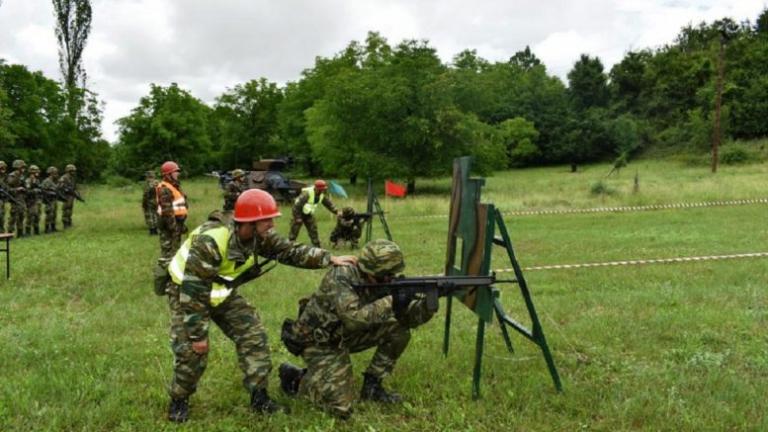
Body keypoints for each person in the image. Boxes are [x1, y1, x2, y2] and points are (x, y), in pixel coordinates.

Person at [162, 188, 356, 423]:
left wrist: (328, 258)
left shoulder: (260, 235)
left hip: (222, 293)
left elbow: (289, 251)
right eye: (268, 220)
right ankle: (179, 399)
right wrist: (197, 336)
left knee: (254, 336)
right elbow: (194, 291)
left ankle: (259, 397)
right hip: (187, 293)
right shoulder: (210, 240)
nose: (272, 224)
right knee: (193, 351)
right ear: (250, 223)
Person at [278, 239, 436, 419]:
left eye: (392, 275)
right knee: (341, 409)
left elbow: (408, 321)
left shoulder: (382, 280)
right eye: (385, 276)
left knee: (398, 329)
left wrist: (427, 305)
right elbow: (355, 320)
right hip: (319, 342)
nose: (389, 280)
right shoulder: (341, 276)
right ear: (370, 271)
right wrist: (392, 300)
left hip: (345, 336)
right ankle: (296, 379)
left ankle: (372, 387)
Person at [289, 179, 340, 247]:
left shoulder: (321, 195)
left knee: (313, 229)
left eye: (323, 189)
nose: (323, 191)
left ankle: (317, 245)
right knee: (295, 230)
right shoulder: (307, 194)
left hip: (308, 213)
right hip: (299, 213)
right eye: (321, 189)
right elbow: (297, 205)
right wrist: (297, 217)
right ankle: (290, 244)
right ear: (316, 188)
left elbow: (328, 204)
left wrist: (337, 211)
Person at [155, 161, 187, 263]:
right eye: (175, 172)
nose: (178, 173)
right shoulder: (164, 189)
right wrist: (174, 228)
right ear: (168, 175)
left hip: (177, 223)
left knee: (176, 252)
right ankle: (164, 276)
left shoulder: (175, 186)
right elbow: (167, 212)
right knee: (168, 253)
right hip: (169, 225)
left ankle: (173, 275)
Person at [6, 159, 27, 237]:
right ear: (18, 167)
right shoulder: (12, 176)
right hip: (14, 199)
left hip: (21, 199)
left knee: (22, 216)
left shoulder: (22, 176)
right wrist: (17, 189)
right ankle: (9, 234)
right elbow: (8, 189)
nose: (24, 168)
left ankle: (20, 233)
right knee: (13, 217)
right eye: (22, 167)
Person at [58, 164, 78, 228]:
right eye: (72, 171)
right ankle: (65, 223)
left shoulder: (72, 178)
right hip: (66, 196)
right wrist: (65, 190)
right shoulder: (64, 178)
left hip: (71, 196)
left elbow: (74, 187)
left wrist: (75, 193)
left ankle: (69, 222)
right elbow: (60, 187)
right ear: (69, 171)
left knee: (70, 209)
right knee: (65, 209)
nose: (74, 172)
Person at [24, 165, 42, 235]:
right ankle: (27, 232)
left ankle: (36, 230)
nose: (38, 173)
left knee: (37, 215)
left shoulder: (37, 180)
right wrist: (35, 190)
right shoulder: (28, 181)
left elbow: (40, 189)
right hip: (30, 201)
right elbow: (27, 191)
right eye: (36, 171)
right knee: (30, 216)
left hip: (37, 200)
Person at [41, 167, 60, 233]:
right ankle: (46, 228)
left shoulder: (54, 182)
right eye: (55, 173)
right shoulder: (46, 181)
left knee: (54, 214)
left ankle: (53, 227)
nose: (56, 175)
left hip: (54, 199)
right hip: (49, 200)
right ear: (51, 173)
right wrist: (50, 193)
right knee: (49, 214)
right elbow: (43, 190)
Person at [142, 170, 159, 235]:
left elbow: (146, 194)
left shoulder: (148, 183)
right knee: (156, 215)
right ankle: (157, 229)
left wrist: (144, 203)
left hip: (149, 201)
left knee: (150, 215)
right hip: (157, 201)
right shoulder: (157, 182)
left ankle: (152, 230)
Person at [0, 161, 7, 233]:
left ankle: (1, 232)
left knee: (1, 216)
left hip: (2, 199)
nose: (3, 169)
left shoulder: (4, 177)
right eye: (2, 168)